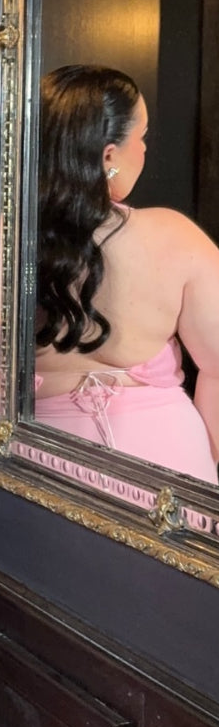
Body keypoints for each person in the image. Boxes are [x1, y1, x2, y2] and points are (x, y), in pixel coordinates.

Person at [34, 64, 219, 484]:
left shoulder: (1, 242)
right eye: (143, 136)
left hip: (35, 456)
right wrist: (205, 461)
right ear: (109, 156)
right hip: (167, 458)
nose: (146, 150)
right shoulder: (175, 236)